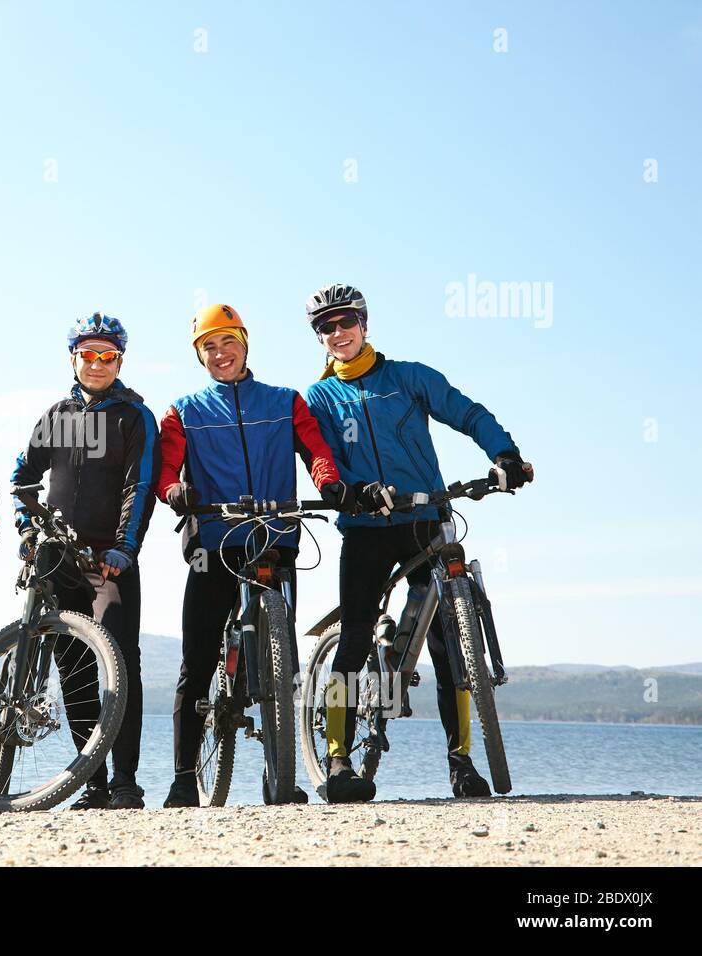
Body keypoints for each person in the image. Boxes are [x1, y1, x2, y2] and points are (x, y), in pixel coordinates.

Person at [303, 283, 534, 803]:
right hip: (365, 530)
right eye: (326, 327)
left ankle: (461, 761)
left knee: (451, 645)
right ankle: (338, 760)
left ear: (365, 322)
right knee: (356, 638)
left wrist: (506, 456)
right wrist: (349, 492)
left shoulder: (409, 377)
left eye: (346, 321)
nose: (338, 333)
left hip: (425, 518)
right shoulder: (318, 398)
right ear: (319, 337)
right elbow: (320, 461)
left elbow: (467, 413)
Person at [157, 304, 353, 808]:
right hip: (214, 542)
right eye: (209, 347)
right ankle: (183, 778)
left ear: (245, 344)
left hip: (275, 537)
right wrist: (174, 489)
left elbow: (315, 450)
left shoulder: (285, 401)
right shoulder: (185, 409)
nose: (220, 354)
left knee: (280, 657)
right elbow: (166, 468)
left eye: (228, 343)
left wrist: (327, 480)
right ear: (200, 356)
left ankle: (277, 775)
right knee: (196, 660)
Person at [10, 313, 160, 810]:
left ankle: (125, 781)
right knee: (72, 667)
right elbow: (21, 479)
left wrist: (124, 547)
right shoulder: (54, 415)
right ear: (72, 358)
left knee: (120, 658)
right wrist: (27, 528)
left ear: (120, 360)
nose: (97, 364)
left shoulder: (135, 416)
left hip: (108, 559)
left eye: (108, 355)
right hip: (56, 555)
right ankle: (92, 780)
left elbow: (140, 487)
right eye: (88, 354)